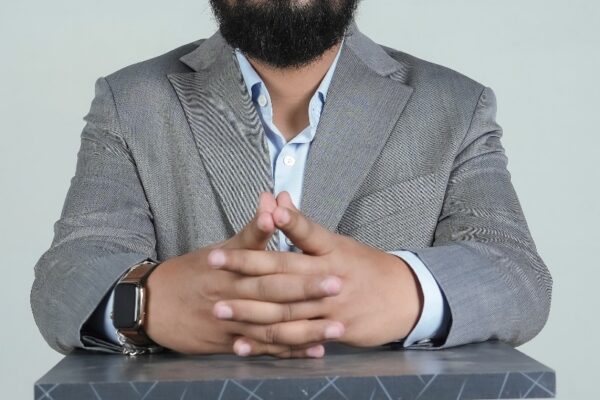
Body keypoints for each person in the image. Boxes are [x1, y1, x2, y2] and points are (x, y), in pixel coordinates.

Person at [31, 0, 552, 358]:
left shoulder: (454, 105)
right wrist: (150, 303)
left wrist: (404, 290)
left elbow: (517, 275)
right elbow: (65, 279)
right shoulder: (131, 101)